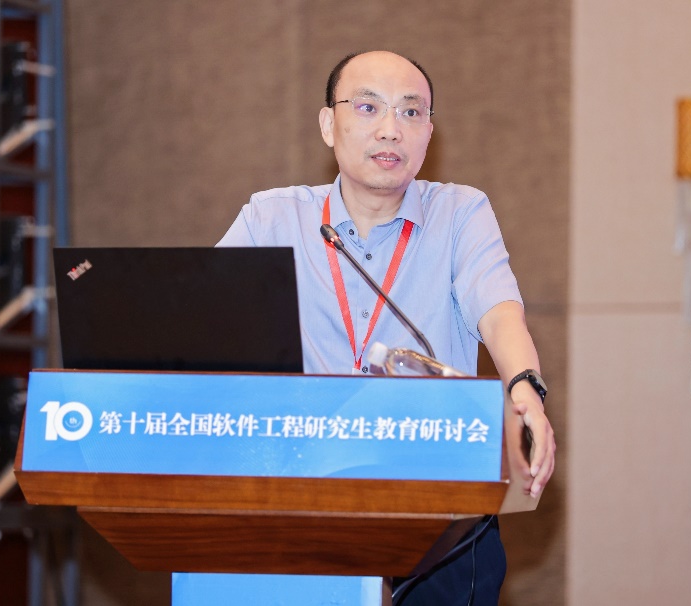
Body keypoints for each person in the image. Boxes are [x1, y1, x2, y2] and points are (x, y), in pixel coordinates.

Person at [218, 50, 555, 606]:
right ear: (329, 124)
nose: (391, 129)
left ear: (429, 133)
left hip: (439, 506)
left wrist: (526, 390)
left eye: (411, 112)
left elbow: (500, 314)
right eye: (368, 107)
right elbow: (204, 332)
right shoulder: (271, 219)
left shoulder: (460, 213)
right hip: (302, 501)